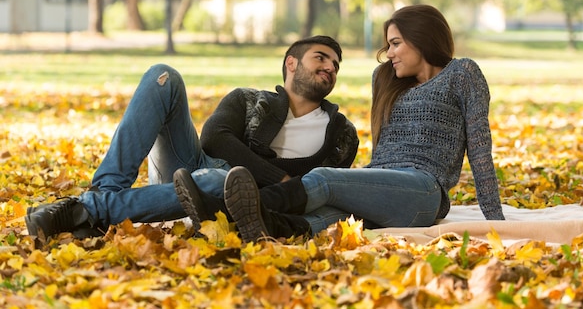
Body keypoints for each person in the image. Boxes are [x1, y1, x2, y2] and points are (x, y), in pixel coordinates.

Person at [175, 4, 505, 243]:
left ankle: (219, 210)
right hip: (386, 187)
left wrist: (497, 222)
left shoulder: (462, 73)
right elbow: (384, 151)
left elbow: (479, 149)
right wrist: (364, 191)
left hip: (423, 192)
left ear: (422, 39)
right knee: (326, 217)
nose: (388, 53)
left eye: (395, 43)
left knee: (322, 180)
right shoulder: (386, 80)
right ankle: (256, 229)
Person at [25, 35, 359, 240]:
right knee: (163, 76)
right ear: (291, 63)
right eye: (321, 57)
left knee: (219, 180)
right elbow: (214, 139)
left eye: (335, 64)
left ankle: (90, 210)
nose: (330, 66)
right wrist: (281, 177)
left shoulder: (341, 134)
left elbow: (324, 189)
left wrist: (261, 188)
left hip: (243, 200)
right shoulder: (248, 99)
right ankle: (104, 196)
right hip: (188, 167)